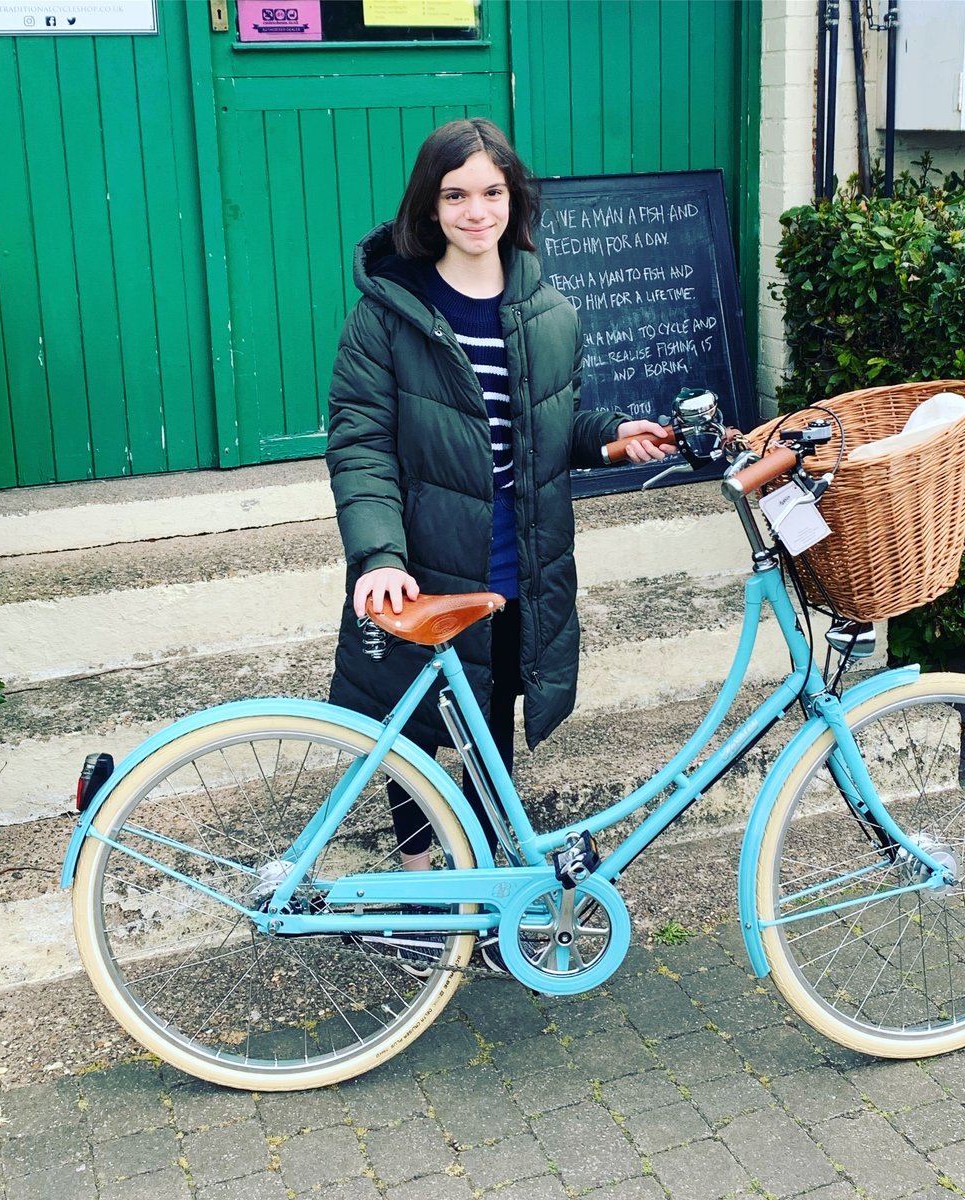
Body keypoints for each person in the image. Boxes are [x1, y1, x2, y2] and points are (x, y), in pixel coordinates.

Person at [325, 119, 670, 934]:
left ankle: (479, 895)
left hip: (520, 564)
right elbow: (360, 440)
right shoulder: (388, 315)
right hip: (422, 562)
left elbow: (553, 423)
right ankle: (419, 893)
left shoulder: (550, 311)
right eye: (455, 195)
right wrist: (378, 554)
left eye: (490, 191)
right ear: (429, 204)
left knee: (490, 722)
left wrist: (610, 434)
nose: (474, 210)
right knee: (410, 734)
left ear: (512, 199)